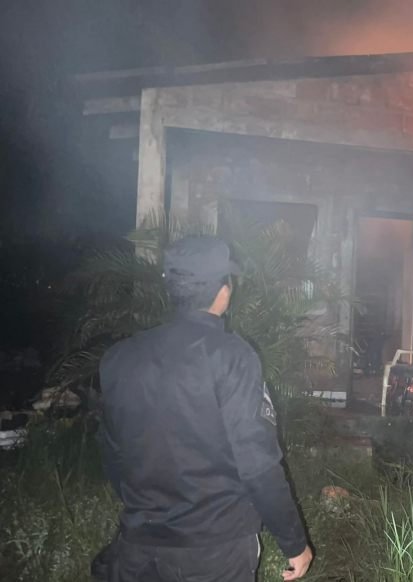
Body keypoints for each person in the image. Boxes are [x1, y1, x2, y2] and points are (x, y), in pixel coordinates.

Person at [96, 236, 313, 581]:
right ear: (223, 290)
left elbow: (112, 454)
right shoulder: (232, 356)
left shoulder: (119, 357)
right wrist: (294, 542)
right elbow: (257, 464)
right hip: (215, 551)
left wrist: (151, 510)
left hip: (138, 547)